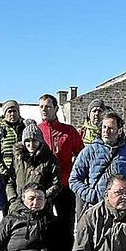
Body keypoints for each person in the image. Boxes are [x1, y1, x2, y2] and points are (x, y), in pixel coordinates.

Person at [69, 112, 126, 216]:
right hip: (96, 209)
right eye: (104, 127)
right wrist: (91, 195)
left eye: (110, 128)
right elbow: (74, 180)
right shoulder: (89, 152)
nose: (106, 131)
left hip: (122, 212)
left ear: (119, 131)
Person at [37, 93, 85, 231]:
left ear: (56, 108)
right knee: (43, 225)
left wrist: (76, 176)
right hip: (43, 186)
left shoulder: (68, 131)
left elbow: (81, 155)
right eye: (41, 107)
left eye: (48, 106)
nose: (44, 110)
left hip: (64, 185)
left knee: (66, 224)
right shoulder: (36, 131)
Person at [6, 120, 62, 207]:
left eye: (34, 141)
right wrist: (13, 199)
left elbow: (56, 184)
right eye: (28, 141)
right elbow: (10, 181)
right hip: (19, 205)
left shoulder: (49, 159)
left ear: (40, 141)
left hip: (41, 206)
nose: (31, 144)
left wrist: (41, 198)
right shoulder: (18, 159)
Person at [0, 100, 26, 190]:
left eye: (14, 111)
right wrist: (3, 170)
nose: (12, 114)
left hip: (23, 170)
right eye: (9, 111)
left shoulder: (25, 127)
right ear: (5, 114)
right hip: (5, 172)